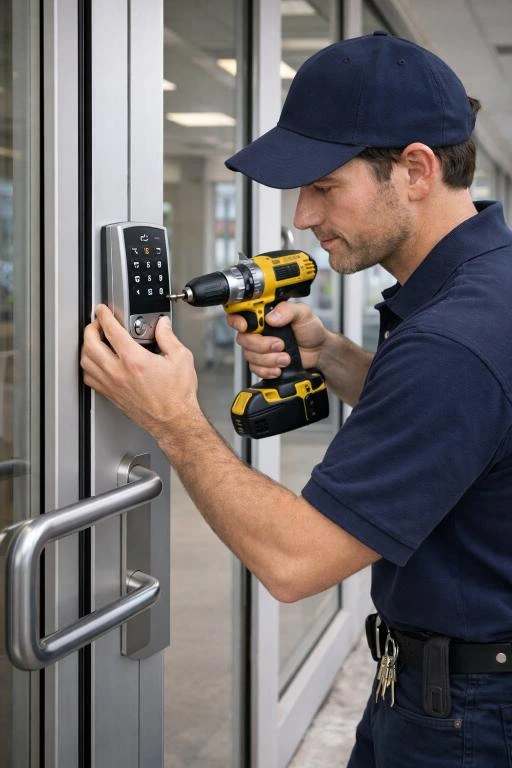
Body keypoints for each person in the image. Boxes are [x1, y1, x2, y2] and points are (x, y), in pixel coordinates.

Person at [81, 31, 512, 766]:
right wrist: (331, 355)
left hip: (466, 720)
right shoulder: (484, 286)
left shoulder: (452, 340)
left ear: (414, 169)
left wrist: (174, 419)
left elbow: (295, 560)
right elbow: (462, 427)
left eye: (323, 186)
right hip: (436, 682)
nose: (302, 217)